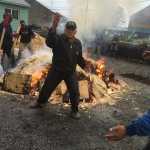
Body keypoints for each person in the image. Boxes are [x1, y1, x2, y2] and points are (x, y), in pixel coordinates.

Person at [30, 14, 86, 119]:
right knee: (47, 87)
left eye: (72, 30)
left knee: (74, 91)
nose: (70, 31)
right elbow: (49, 41)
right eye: (68, 29)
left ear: (75, 31)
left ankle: (74, 110)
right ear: (65, 30)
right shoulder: (58, 39)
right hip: (57, 70)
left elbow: (79, 57)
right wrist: (54, 25)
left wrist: (84, 66)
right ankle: (40, 102)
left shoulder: (78, 43)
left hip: (70, 72)